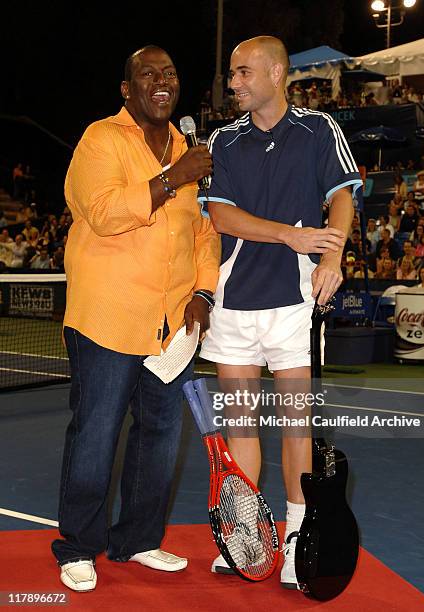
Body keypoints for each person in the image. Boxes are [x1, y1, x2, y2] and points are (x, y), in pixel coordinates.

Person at [51, 45, 220, 593]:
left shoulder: (184, 148)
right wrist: (173, 177)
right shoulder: (101, 139)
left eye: (169, 72)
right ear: (128, 90)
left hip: (171, 324)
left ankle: (139, 539)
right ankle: (77, 547)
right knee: (97, 434)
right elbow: (100, 212)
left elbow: (202, 231)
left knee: (161, 436)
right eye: (147, 74)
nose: (161, 81)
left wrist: (202, 291)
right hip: (108, 317)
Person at [198, 36, 362, 588]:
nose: (234, 83)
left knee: (296, 428)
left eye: (243, 73)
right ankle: (244, 529)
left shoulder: (319, 130)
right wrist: (292, 236)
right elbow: (220, 215)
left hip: (293, 305)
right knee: (240, 422)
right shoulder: (223, 139)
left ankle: (297, 536)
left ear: (274, 73)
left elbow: (342, 193)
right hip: (232, 304)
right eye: (231, 74)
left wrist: (331, 254)